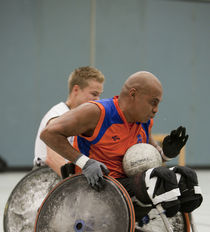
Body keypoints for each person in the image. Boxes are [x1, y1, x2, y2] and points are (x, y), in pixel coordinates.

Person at [40, 71, 192, 220]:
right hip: (98, 186)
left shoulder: (144, 121)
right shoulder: (96, 113)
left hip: (128, 184)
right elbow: (48, 134)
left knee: (185, 177)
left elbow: (148, 162)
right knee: (157, 181)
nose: (156, 109)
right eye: (153, 102)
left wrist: (166, 154)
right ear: (133, 94)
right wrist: (84, 163)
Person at [34, 66, 105, 177]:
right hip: (45, 180)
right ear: (76, 90)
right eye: (94, 94)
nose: (98, 100)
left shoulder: (82, 118)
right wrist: (78, 185)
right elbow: (52, 159)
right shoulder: (57, 115)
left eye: (99, 95)